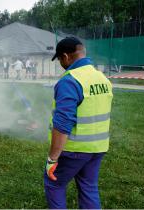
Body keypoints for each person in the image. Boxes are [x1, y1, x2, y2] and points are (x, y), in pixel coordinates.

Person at [44, 37, 113, 209]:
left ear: (66, 56)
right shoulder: (102, 78)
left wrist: (52, 159)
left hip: (74, 150)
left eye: (59, 59)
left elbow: (62, 124)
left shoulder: (69, 81)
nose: (60, 63)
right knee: (89, 187)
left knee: (54, 183)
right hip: (98, 147)